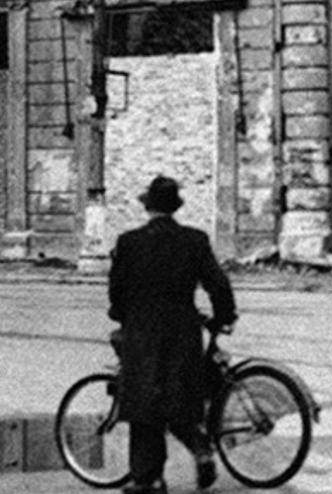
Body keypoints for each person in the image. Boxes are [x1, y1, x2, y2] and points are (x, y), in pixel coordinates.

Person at [108, 175, 237, 494]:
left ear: (148, 207)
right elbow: (218, 284)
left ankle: (148, 479)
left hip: (143, 331)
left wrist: (122, 316)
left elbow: (117, 292)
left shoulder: (129, 242)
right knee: (179, 397)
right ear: (175, 207)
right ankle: (201, 450)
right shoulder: (194, 240)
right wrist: (223, 317)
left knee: (143, 401)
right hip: (183, 331)